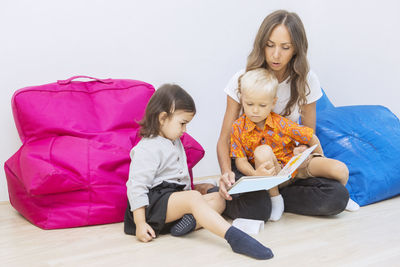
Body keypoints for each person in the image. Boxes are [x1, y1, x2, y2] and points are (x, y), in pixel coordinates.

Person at [215, 10, 350, 221]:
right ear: (262, 45)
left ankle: (274, 195)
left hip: (287, 163)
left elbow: (308, 133)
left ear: (296, 49)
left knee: (337, 197)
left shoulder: (307, 80)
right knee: (255, 208)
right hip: (252, 165)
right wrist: (226, 173)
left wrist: (304, 150)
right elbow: (224, 139)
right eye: (270, 45)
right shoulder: (242, 79)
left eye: (285, 47)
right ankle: (265, 197)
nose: (276, 54)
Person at [124, 84, 274, 260]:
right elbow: (136, 186)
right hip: (151, 207)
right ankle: (234, 238)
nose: (185, 130)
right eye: (182, 123)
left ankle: (188, 222)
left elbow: (180, 178)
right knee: (194, 198)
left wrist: (192, 192)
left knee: (220, 198)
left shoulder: (173, 141)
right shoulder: (147, 148)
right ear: (162, 118)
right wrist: (140, 222)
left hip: (171, 203)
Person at [231, 68, 359, 221]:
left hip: (294, 168)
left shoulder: (281, 122)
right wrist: (255, 175)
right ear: (242, 99)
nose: (255, 110)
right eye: (249, 104)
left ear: (273, 103)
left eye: (262, 105)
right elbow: (240, 160)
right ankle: (275, 199)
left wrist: (317, 156)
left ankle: (344, 196)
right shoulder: (238, 127)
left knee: (340, 169)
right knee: (262, 151)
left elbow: (310, 136)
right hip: (273, 175)